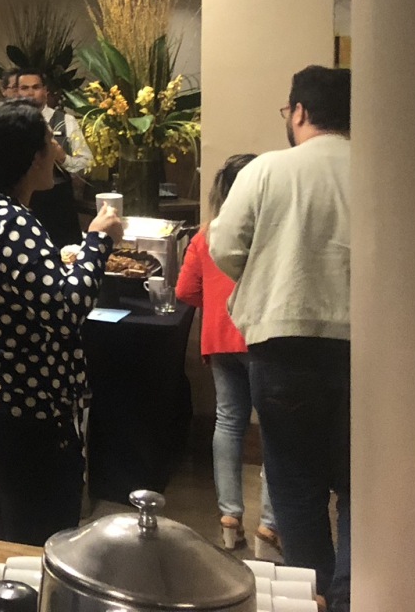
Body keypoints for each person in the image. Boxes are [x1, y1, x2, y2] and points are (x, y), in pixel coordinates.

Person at [0, 101, 123, 546]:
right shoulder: (12, 223)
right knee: (44, 542)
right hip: (25, 410)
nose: (56, 149)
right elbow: (66, 311)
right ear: (28, 158)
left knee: (10, 533)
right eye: (49, 143)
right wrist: (97, 242)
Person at [210, 66, 352, 610]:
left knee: (294, 485)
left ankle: (312, 597)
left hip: (282, 343)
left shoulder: (268, 169)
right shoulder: (380, 167)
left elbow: (226, 246)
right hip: (366, 349)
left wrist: (268, 272)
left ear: (299, 112)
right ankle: (352, 598)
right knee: (360, 486)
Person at [177, 153, 279, 554]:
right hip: (261, 337)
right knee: (272, 428)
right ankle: (269, 524)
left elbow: (185, 291)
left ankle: (229, 517)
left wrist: (216, 303)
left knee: (228, 422)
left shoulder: (206, 235)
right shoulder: (269, 235)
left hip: (220, 339)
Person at [12, 69, 92, 249]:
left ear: (45, 91)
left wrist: (63, 158)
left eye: (36, 87)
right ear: (16, 91)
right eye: (24, 88)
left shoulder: (66, 121)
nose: (30, 93)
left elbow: (87, 164)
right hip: (20, 199)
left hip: (58, 201)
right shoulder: (9, 122)